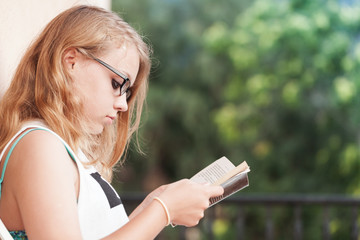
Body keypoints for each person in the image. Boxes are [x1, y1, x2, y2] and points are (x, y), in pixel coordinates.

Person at [0, 5, 224, 240]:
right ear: (71, 61)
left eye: (127, 92)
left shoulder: (57, 146)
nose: (123, 105)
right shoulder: (40, 145)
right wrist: (162, 210)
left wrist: (149, 209)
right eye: (117, 84)